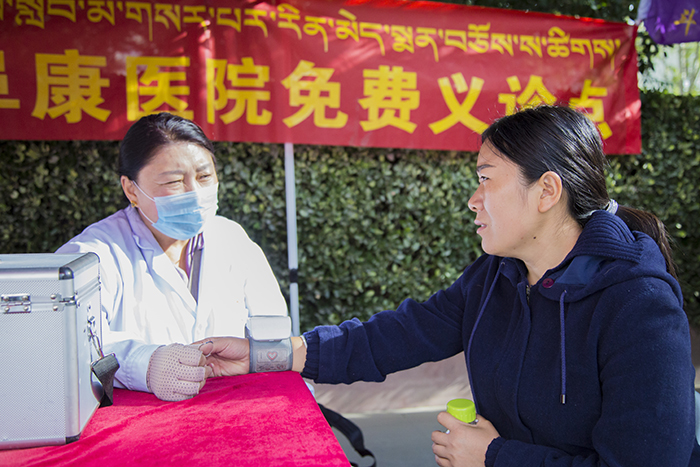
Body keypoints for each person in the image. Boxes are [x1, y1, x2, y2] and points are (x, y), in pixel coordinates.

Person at [197, 105, 700, 466]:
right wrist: (270, 354)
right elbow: (394, 335)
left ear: (547, 191)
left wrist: (495, 456)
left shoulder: (638, 304)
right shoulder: (497, 277)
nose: (473, 200)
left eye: (487, 179)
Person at [57, 113, 288, 402]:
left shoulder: (233, 238)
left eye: (205, 176)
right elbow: (68, 344)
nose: (195, 193)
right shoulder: (92, 255)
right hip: (137, 426)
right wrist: (145, 364)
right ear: (131, 189)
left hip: (229, 413)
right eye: (174, 182)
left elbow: (274, 332)